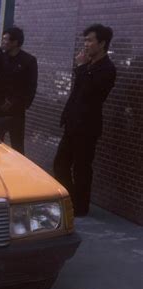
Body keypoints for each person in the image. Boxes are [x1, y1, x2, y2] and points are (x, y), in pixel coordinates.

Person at [53, 24, 116, 217]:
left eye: (90, 40)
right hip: (72, 123)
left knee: (81, 168)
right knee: (60, 164)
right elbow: (76, 94)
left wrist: (80, 67)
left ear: (102, 43)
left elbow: (91, 94)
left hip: (87, 126)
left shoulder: (107, 68)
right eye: (85, 40)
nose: (86, 44)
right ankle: (71, 199)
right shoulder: (88, 65)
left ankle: (80, 207)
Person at [0, 26, 38, 154]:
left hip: (16, 110)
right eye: (3, 39)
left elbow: (30, 86)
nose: (3, 42)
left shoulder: (28, 60)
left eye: (6, 39)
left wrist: (17, 103)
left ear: (15, 42)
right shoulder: (0, 58)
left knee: (17, 144)